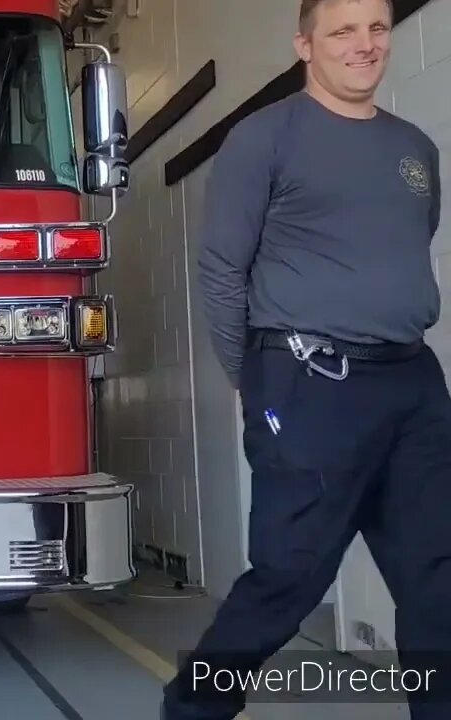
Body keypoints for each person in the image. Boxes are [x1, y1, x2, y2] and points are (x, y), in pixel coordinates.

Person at [164, 0, 446, 717]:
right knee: (289, 578)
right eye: (343, 31)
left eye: (377, 28)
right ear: (305, 44)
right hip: (310, 381)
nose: (365, 45)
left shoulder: (416, 149)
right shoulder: (265, 137)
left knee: (437, 578)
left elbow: (406, 246)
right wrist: (254, 380)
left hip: (413, 385)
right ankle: (193, 708)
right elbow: (222, 273)